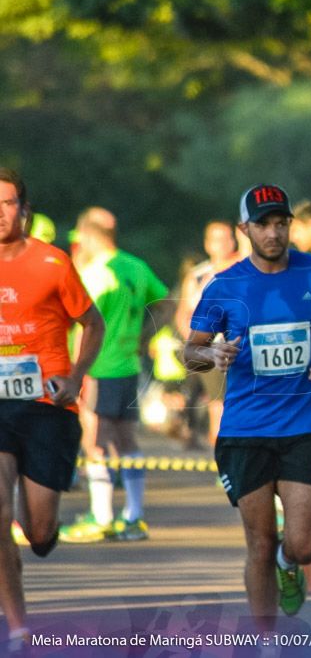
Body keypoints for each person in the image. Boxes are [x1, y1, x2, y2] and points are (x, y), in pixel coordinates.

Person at [184, 184, 311, 628]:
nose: (274, 233)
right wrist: (213, 355)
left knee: (304, 544)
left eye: (281, 223)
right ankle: (264, 640)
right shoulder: (224, 285)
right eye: (263, 225)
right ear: (245, 229)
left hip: (307, 426)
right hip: (246, 430)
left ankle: (289, 563)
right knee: (258, 543)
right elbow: (189, 352)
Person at [0, 167, 105, 652]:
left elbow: (93, 324)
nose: (0, 214)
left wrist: (78, 376)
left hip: (46, 404)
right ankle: (18, 623)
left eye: (7, 203)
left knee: (37, 534)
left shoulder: (53, 262)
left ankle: (32, 540)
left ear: (24, 209)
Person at [60, 208, 168, 543]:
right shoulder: (136, 266)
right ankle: (133, 516)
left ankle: (102, 516)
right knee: (127, 441)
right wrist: (144, 337)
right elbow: (165, 303)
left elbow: (85, 325)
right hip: (128, 366)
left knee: (96, 441)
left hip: (99, 368)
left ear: (91, 236)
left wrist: (75, 372)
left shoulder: (96, 272)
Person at [175, 220, 241, 448]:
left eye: (227, 238)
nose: (223, 244)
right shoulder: (197, 275)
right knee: (218, 408)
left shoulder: (243, 267)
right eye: (217, 239)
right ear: (207, 244)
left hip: (242, 349)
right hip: (212, 350)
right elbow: (183, 314)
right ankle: (222, 462)